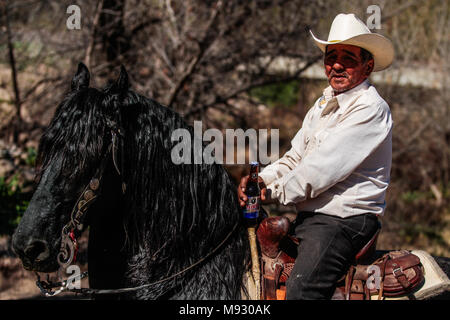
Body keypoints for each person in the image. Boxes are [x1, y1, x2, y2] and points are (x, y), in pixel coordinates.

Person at [238, 13, 394, 299]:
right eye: (331, 56)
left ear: (367, 66)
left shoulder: (370, 108)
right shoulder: (323, 104)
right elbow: (295, 158)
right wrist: (260, 181)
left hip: (344, 222)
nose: (335, 64)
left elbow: (319, 172)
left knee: (302, 291)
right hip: (313, 218)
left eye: (347, 57)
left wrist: (268, 192)